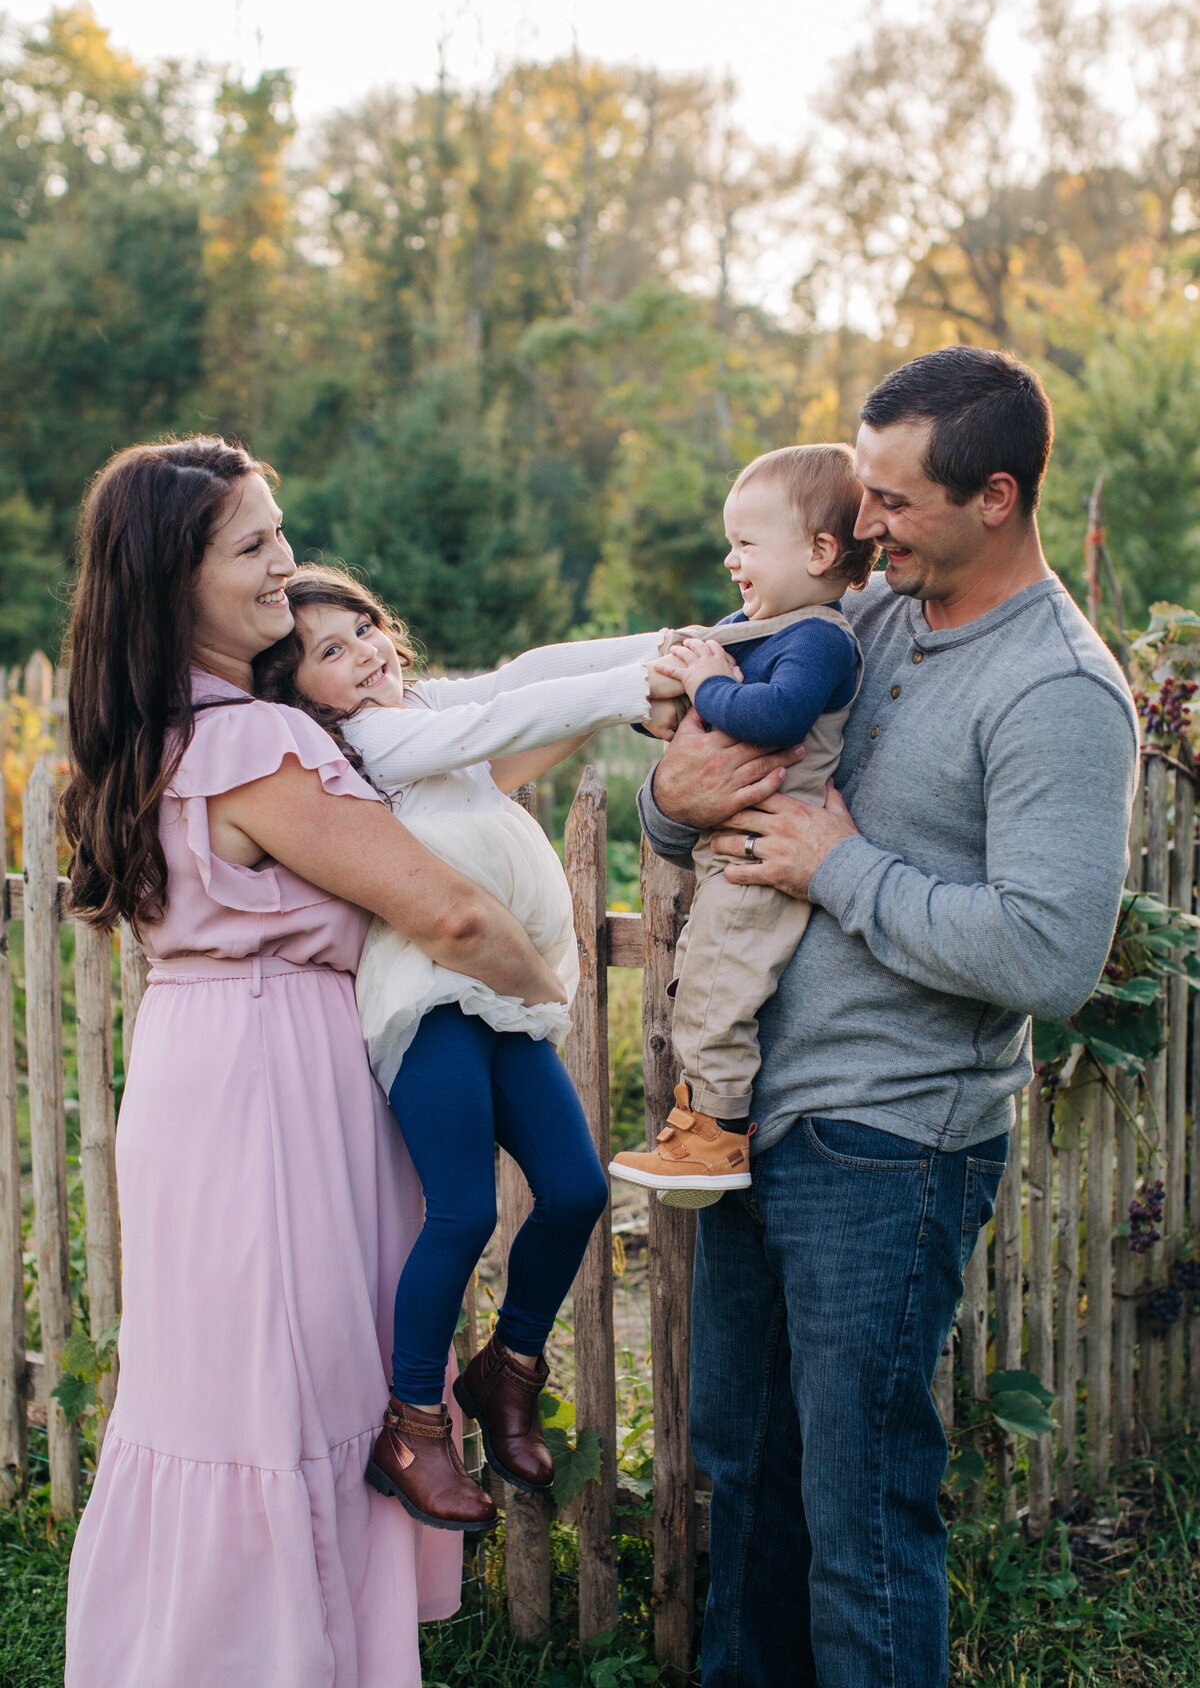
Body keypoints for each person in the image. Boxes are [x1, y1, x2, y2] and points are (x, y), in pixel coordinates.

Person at [637, 348, 1139, 1688]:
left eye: (893, 503)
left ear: (996, 496)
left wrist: (837, 866)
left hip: (894, 1144)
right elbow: (701, 795)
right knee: (748, 1484)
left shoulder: (1059, 694)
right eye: (860, 493)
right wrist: (674, 799)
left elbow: (1046, 956)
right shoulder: (865, 624)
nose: (863, 526)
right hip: (751, 1126)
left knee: (860, 1512)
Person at [62, 439, 569, 1688]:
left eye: (280, 531)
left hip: (200, 1060)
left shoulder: (178, 731)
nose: (286, 563)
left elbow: (449, 771)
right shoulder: (247, 745)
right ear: (172, 581)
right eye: (252, 546)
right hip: (272, 1092)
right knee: (284, 1387)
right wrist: (540, 980)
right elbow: (445, 912)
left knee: (223, 1392)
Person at [255, 564, 683, 1529]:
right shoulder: (370, 742)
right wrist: (635, 693)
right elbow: (489, 727)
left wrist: (670, 648)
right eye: (330, 652)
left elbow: (524, 677)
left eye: (363, 628)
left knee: (576, 1189)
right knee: (461, 1212)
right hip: (427, 998)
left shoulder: (417, 700)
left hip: (500, 1001)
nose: (364, 654)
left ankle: (509, 1369)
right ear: (300, 693)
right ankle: (413, 1425)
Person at [608, 444, 876, 1205]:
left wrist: (706, 682)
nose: (730, 559)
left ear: (821, 551)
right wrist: (669, 690)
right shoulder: (758, 624)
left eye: (747, 543)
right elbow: (701, 682)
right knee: (701, 984)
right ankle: (704, 1135)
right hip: (732, 852)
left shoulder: (819, 635)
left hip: (770, 859)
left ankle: (714, 1142)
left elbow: (774, 715)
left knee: (717, 998)